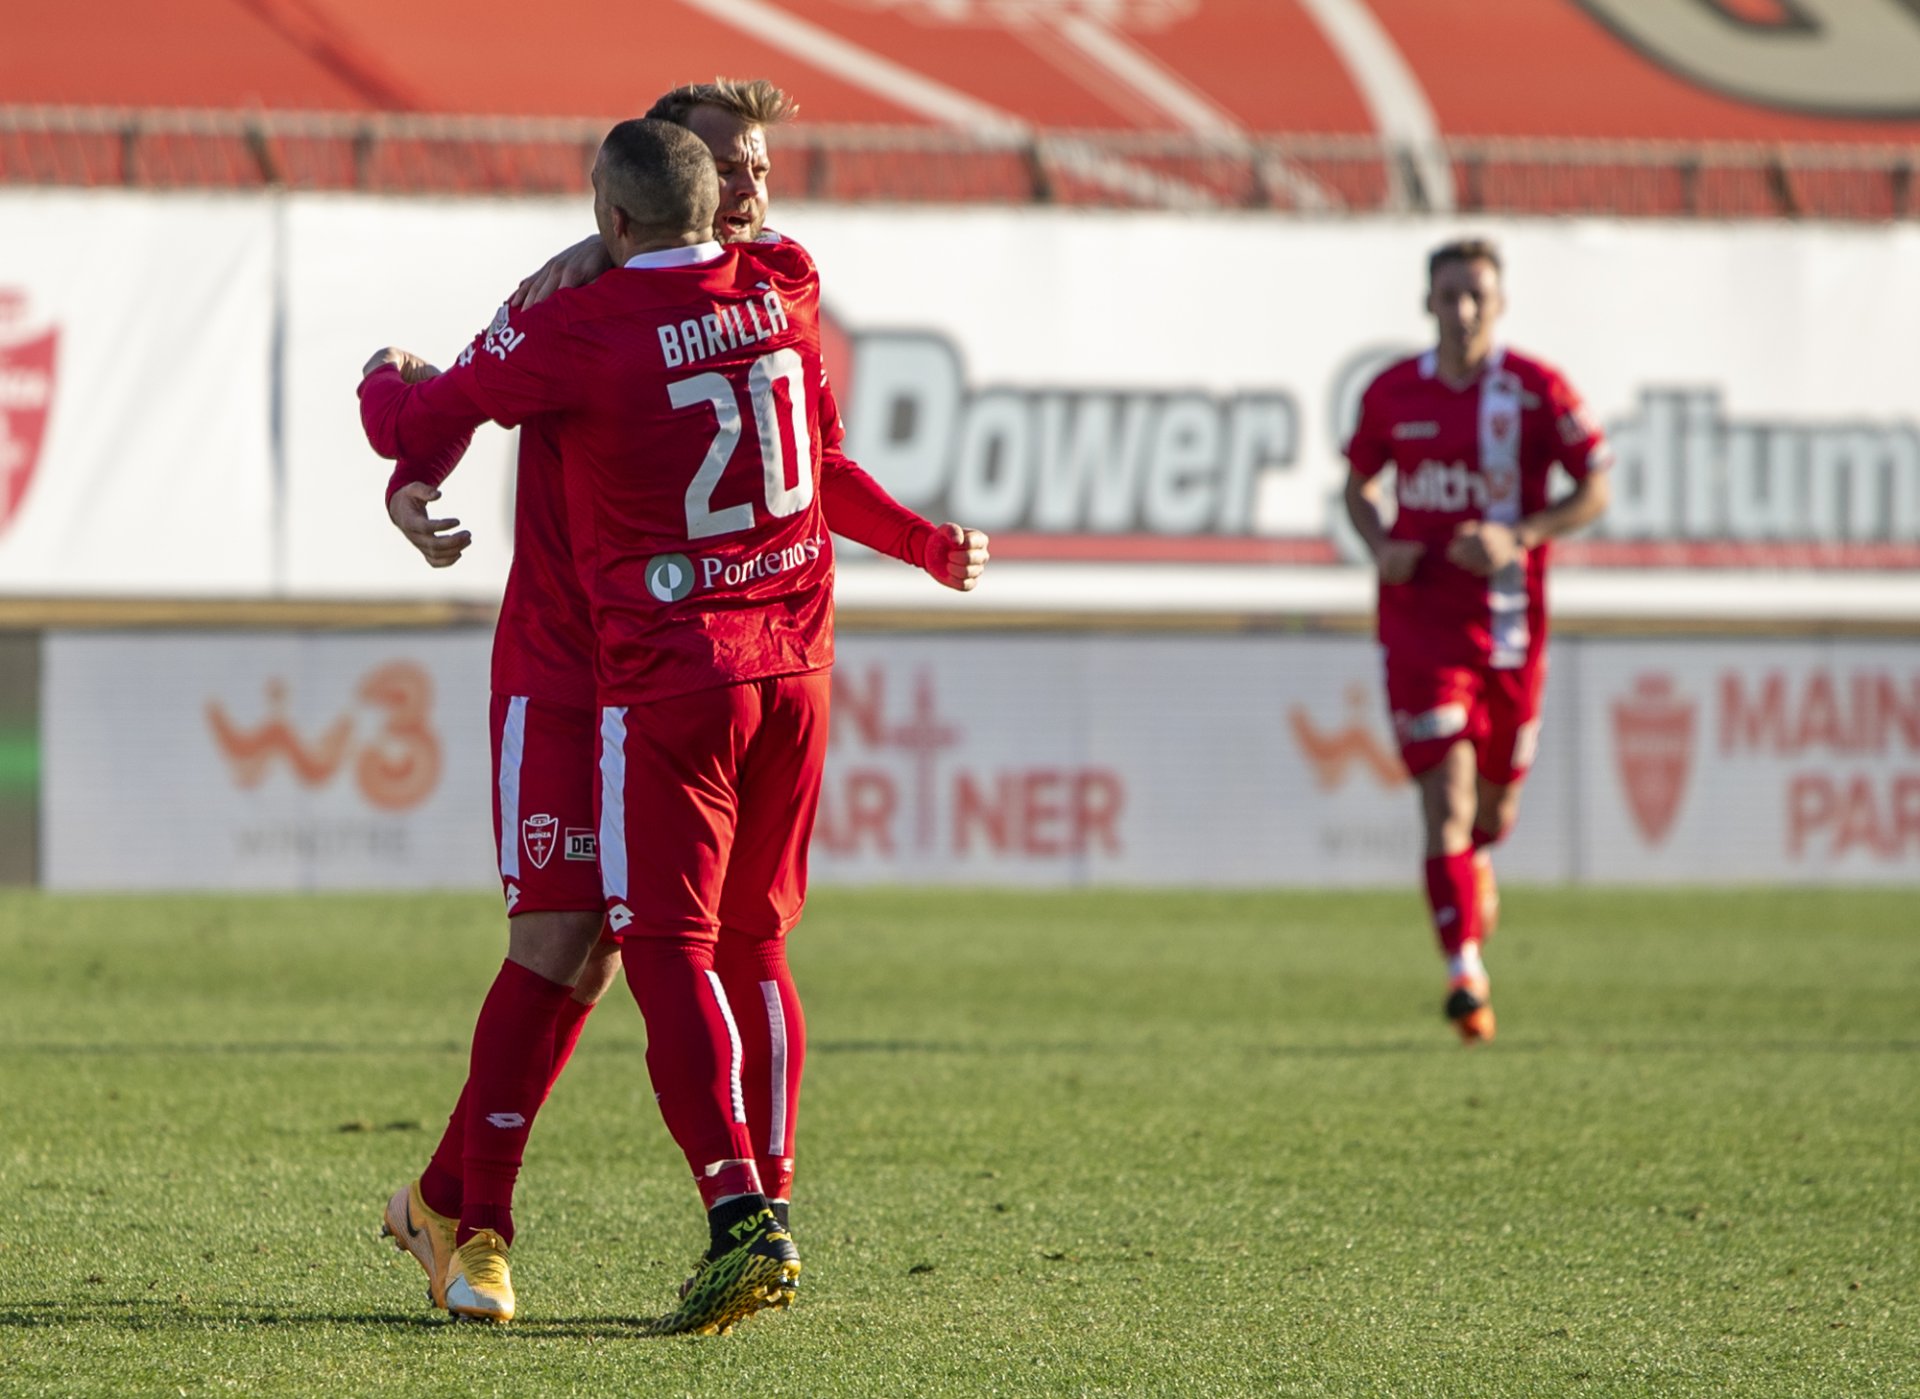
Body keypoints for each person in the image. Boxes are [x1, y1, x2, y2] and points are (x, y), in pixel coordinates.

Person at [373, 83, 989, 1327]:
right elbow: (469, 394)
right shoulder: (586, 304)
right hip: (571, 668)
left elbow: (443, 397)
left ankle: (484, 1201)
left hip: (684, 669)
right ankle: (486, 1225)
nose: (752, 192)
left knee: (648, 948)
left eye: (761, 170)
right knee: (567, 944)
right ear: (669, 192)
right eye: (727, 170)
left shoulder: (751, 287)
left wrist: (391, 400)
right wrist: (415, 469)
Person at [1342, 237, 1610, 1044]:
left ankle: (1477, 870)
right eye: (1448, 295)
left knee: (1494, 809)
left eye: (1475, 296)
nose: (1461, 310)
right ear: (1427, 303)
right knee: (1447, 801)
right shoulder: (1391, 393)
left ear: (1498, 304)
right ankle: (1465, 970)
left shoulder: (1535, 390)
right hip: (1421, 622)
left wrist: (1521, 535)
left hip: (1509, 627)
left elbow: (1594, 484)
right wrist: (1380, 541)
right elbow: (1356, 484)